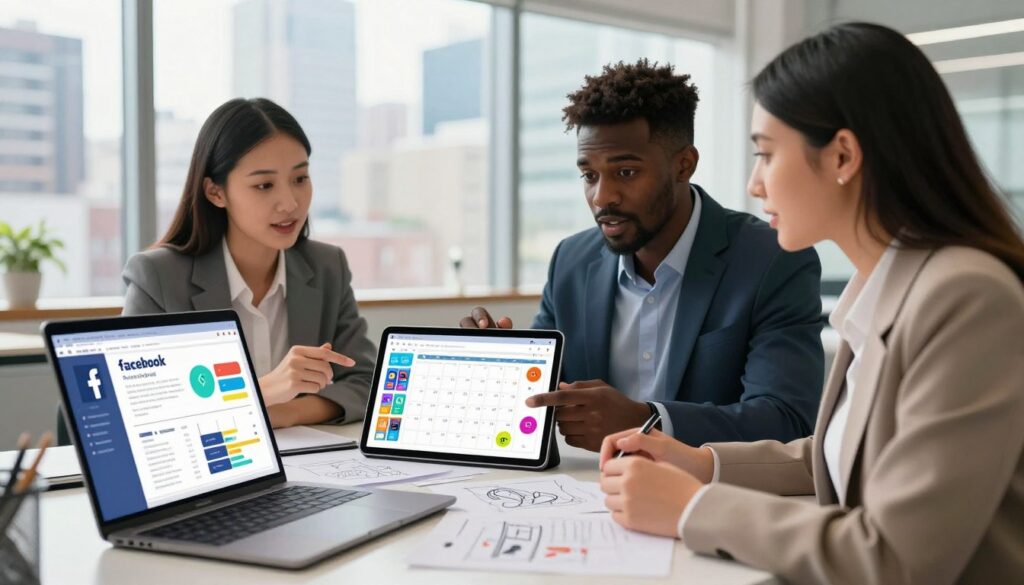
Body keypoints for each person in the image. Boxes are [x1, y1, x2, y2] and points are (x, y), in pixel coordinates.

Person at [598, 23, 1024, 584]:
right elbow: (843, 451)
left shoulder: (966, 297)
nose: (753, 184)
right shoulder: (883, 288)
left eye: (766, 155)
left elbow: (897, 558)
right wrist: (702, 463)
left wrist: (692, 509)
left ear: (842, 155)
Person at [461, 60, 825, 452]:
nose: (602, 197)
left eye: (627, 172)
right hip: (587, 494)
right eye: (589, 175)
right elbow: (547, 398)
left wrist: (646, 421)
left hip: (705, 497)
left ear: (683, 164)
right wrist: (499, 370)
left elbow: (787, 419)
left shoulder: (772, 258)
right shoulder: (571, 260)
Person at [122, 98, 377, 429]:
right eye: (264, 185)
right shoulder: (157, 277)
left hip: (303, 464)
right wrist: (263, 391)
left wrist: (283, 414)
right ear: (216, 193)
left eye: (300, 179)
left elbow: (368, 382)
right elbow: (138, 405)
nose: (290, 203)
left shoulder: (328, 266)